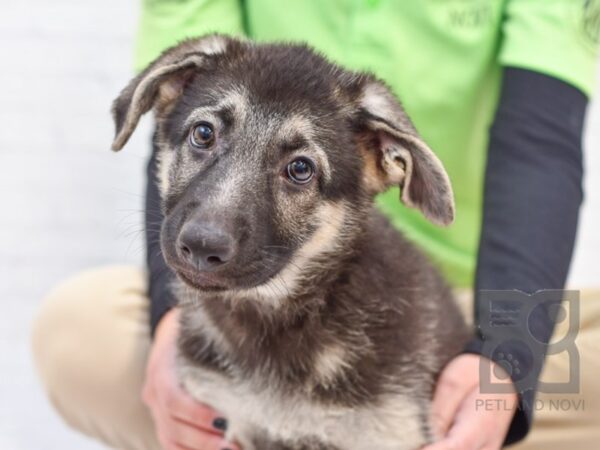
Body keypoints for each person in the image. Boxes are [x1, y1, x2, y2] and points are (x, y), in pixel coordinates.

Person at [32, 1, 600, 450]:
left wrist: (505, 362)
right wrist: (166, 321)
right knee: (74, 330)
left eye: (298, 170)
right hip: (226, 311)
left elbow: (540, 149)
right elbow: (177, 123)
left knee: (573, 378)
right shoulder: (187, 112)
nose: (210, 230)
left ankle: (472, 418)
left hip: (477, 301)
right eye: (208, 136)